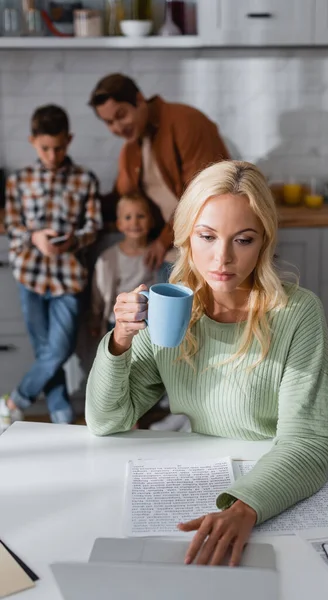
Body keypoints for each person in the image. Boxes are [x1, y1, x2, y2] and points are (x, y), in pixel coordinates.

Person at [85, 160, 328, 566]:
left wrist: (244, 507)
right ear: (186, 236)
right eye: (207, 236)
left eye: (243, 240)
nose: (222, 258)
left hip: (276, 488)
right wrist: (119, 342)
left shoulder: (297, 313)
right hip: (203, 479)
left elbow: (310, 440)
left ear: (264, 242)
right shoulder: (169, 308)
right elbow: (106, 420)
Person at [0, 104, 102, 430]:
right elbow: (11, 226)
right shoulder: (19, 181)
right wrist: (35, 237)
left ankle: (14, 401)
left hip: (69, 278)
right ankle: (62, 420)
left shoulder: (85, 179)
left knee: (57, 351)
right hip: (29, 275)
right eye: (45, 148)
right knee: (48, 353)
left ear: (69, 140)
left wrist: (73, 240)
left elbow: (94, 225)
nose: (53, 155)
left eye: (59, 147)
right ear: (33, 141)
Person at [88, 73, 230, 276]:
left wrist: (163, 241)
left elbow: (203, 194)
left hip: (208, 250)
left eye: (121, 115)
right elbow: (122, 200)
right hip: (170, 254)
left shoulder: (187, 122)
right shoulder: (130, 150)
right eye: (109, 122)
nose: (117, 127)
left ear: (138, 99)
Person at [90, 194, 157, 338]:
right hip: (117, 320)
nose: (135, 223)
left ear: (151, 221)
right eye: (128, 217)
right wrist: (95, 318)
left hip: (149, 323)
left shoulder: (158, 254)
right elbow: (98, 293)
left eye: (141, 216)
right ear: (119, 224)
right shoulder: (107, 259)